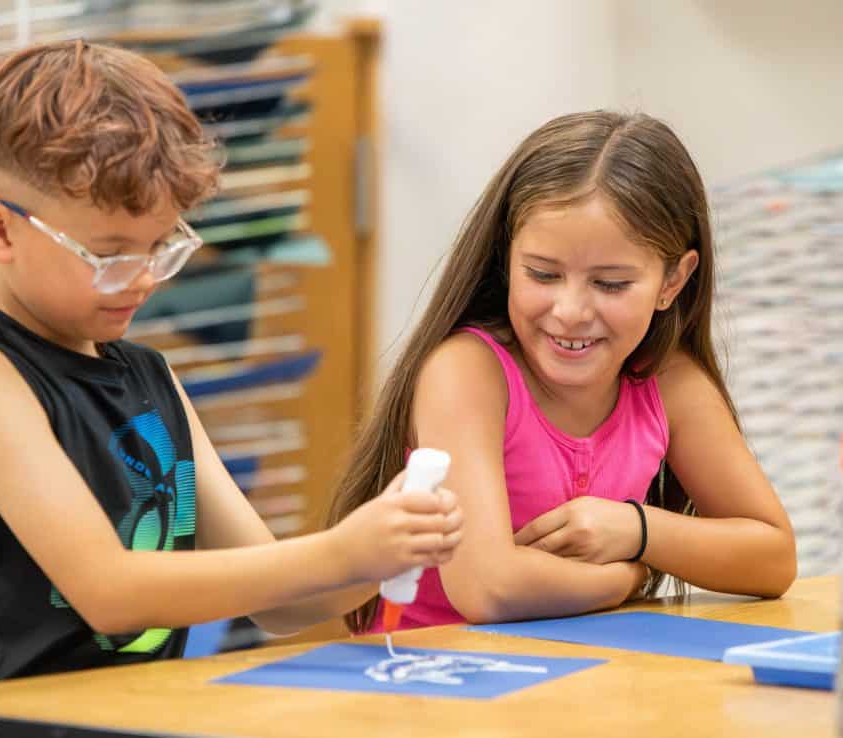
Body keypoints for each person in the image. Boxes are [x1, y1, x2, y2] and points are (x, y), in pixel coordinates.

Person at [0, 39, 463, 686]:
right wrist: (341, 550)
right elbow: (109, 591)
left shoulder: (151, 377)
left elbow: (284, 604)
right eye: (110, 256)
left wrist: (380, 552)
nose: (144, 280)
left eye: (161, 248)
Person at [327, 111, 796, 634]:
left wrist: (636, 530)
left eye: (611, 283)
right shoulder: (467, 372)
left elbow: (773, 558)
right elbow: (488, 588)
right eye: (543, 274)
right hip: (430, 690)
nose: (570, 311)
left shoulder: (670, 382)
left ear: (672, 281)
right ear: (508, 259)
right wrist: (628, 577)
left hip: (578, 684)